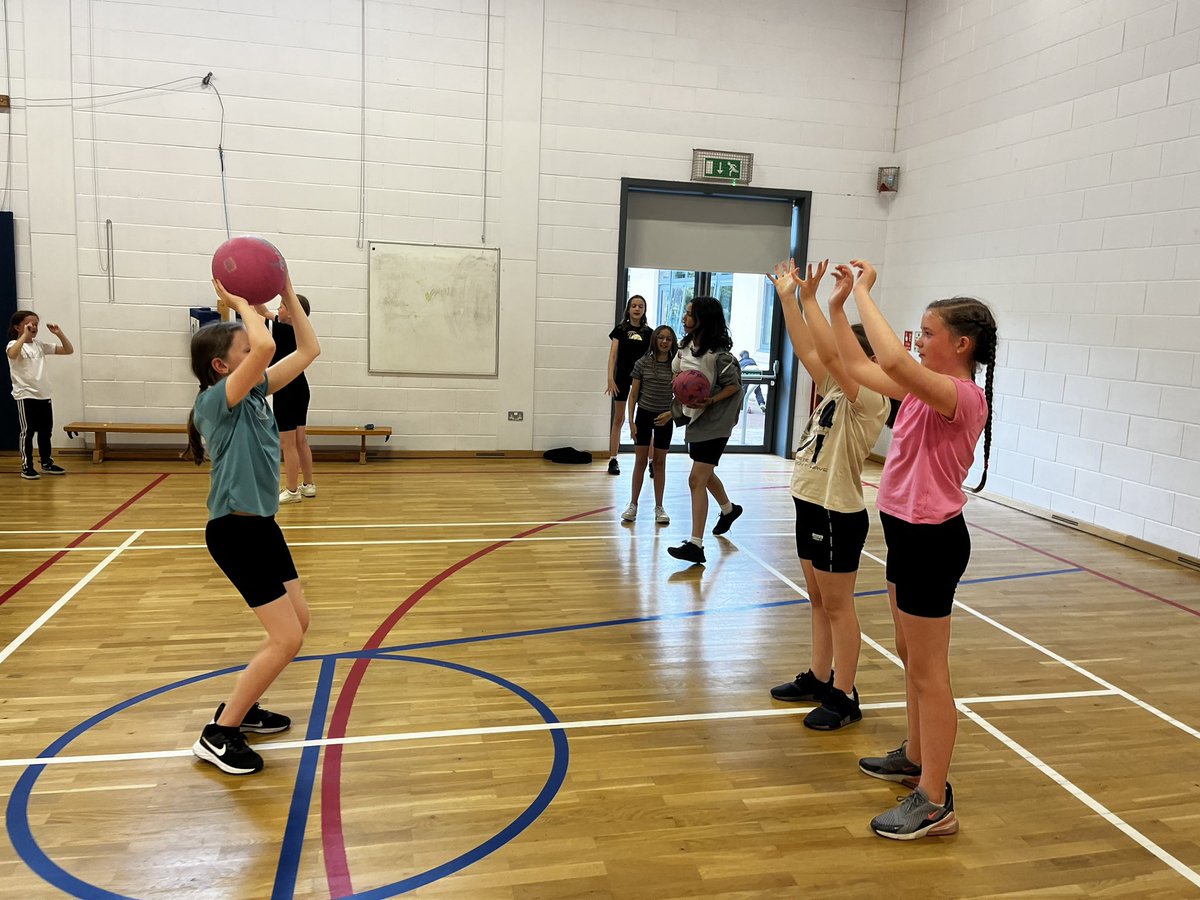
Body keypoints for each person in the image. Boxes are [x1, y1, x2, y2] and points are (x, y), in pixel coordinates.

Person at [829, 258, 995, 840]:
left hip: (932, 541)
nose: (917, 340)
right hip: (904, 532)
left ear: (961, 344)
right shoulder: (923, 388)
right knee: (909, 655)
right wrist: (837, 305)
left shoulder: (962, 396)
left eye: (928, 333)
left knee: (930, 672)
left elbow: (891, 358)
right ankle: (918, 757)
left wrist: (868, 291)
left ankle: (935, 801)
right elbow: (852, 362)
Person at [186, 274, 321, 776]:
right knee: (286, 640)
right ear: (222, 366)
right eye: (245, 349)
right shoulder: (215, 402)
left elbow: (308, 349)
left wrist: (287, 296)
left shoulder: (256, 389)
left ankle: (240, 710)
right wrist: (241, 302)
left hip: (263, 527)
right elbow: (265, 341)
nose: (258, 349)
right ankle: (217, 735)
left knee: (298, 625)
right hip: (234, 533)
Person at [766, 260, 890, 730]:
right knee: (817, 600)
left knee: (839, 606)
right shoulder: (836, 386)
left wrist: (815, 299)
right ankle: (820, 677)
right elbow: (807, 348)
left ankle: (844, 694)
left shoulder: (871, 396)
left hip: (839, 512)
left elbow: (832, 354)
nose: (829, 355)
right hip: (810, 500)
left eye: (840, 351)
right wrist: (788, 299)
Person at [666, 297, 744, 565]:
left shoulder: (719, 355)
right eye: (685, 313)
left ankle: (696, 545)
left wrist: (710, 400)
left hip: (717, 420)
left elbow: (733, 386)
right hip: (696, 418)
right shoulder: (685, 346)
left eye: (689, 315)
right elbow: (676, 374)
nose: (684, 318)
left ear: (703, 320)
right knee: (706, 474)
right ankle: (729, 510)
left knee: (696, 479)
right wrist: (680, 389)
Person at [6, 311, 73, 480]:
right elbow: (13, 354)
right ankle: (27, 466)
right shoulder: (13, 344)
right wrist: (24, 336)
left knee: (45, 431)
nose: (34, 327)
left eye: (36, 324)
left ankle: (46, 462)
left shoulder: (40, 346)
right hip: (25, 394)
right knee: (27, 432)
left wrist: (59, 334)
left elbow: (68, 350)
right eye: (29, 324)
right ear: (17, 327)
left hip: (43, 395)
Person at [622, 325, 678, 525]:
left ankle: (659, 507)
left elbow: (681, 395)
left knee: (660, 463)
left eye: (668, 339)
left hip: (665, 417)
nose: (664, 342)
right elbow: (634, 395)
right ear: (654, 340)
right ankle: (633, 505)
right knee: (640, 462)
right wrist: (631, 421)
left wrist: (671, 414)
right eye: (661, 338)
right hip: (644, 415)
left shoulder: (676, 365)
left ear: (672, 343)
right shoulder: (642, 363)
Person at [268, 293, 316, 504]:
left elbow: (261, 311)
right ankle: (308, 485)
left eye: (281, 306)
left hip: (286, 389)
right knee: (300, 440)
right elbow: (267, 312)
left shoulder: (281, 328)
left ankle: (292, 490)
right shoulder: (301, 332)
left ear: (291, 312)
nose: (278, 310)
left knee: (287, 443)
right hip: (301, 389)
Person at [606, 294, 652, 475]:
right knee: (619, 419)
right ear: (628, 308)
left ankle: (651, 461)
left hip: (642, 380)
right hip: (622, 378)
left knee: (645, 422)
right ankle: (613, 459)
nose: (637, 309)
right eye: (634, 305)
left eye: (640, 306)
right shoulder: (620, 330)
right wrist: (610, 378)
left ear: (644, 310)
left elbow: (652, 357)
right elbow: (613, 356)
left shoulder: (649, 333)